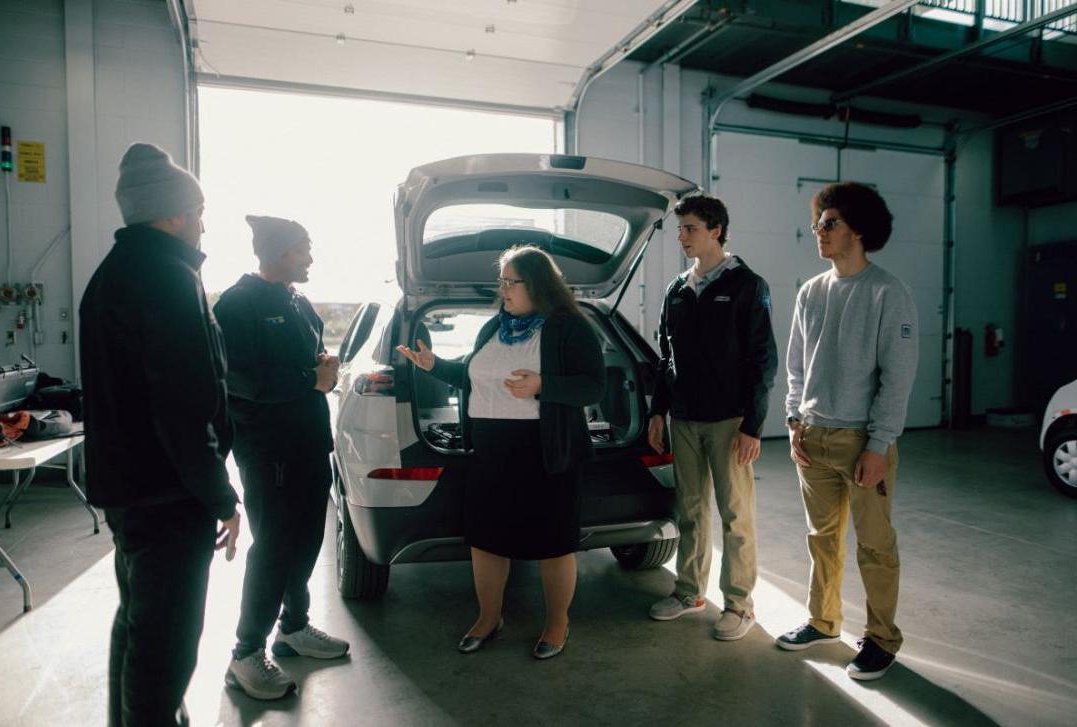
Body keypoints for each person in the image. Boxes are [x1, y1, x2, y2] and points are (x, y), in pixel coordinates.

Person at [80, 142, 241, 727]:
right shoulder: (169, 279)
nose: (203, 223)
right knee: (166, 649)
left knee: (138, 625)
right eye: (198, 211)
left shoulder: (110, 276)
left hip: (131, 492)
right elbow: (182, 408)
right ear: (173, 213)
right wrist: (220, 496)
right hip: (169, 494)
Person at [397, 245, 605, 660]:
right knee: (487, 539)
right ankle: (489, 617)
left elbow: (593, 386)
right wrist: (433, 364)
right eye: (502, 281)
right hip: (491, 450)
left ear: (539, 283)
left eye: (512, 281)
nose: (503, 289)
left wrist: (545, 386)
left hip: (545, 451)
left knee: (552, 542)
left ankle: (556, 623)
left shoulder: (568, 327)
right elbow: (473, 374)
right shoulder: (495, 327)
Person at [777, 182, 918, 681]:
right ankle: (822, 621)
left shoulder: (887, 293)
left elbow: (897, 377)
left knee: (875, 546)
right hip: (813, 437)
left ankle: (881, 639)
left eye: (830, 222)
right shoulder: (811, 292)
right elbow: (796, 365)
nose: (819, 231)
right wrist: (794, 421)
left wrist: (879, 445)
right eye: (818, 222)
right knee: (822, 539)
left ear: (858, 230)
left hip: (861, 443)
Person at [214, 216, 348, 700]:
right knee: (273, 548)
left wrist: (325, 366)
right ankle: (245, 653)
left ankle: (293, 628)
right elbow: (237, 380)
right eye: (301, 250)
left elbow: (308, 358)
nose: (309, 258)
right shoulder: (237, 304)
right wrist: (308, 380)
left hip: (310, 441)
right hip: (267, 448)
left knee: (307, 539)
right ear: (273, 252)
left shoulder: (297, 301)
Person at [646, 195, 777, 641]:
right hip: (684, 418)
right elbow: (666, 357)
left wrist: (752, 426)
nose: (681, 237)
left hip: (729, 420)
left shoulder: (746, 285)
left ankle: (740, 606)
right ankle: (689, 592)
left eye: (690, 229)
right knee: (690, 510)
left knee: (735, 515)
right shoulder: (677, 289)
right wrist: (658, 410)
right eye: (680, 229)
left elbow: (763, 360)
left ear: (716, 229)